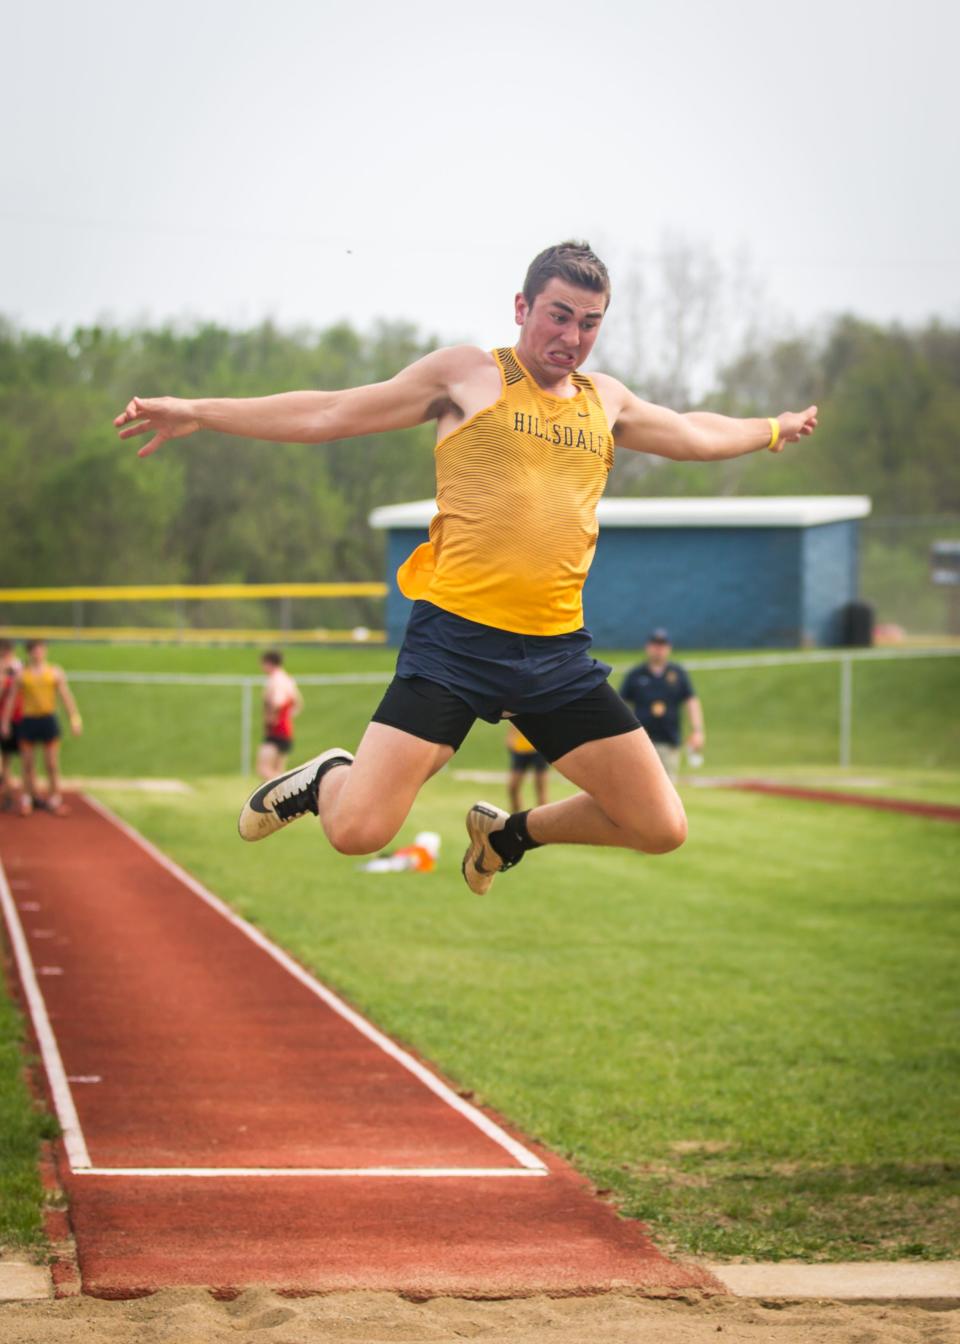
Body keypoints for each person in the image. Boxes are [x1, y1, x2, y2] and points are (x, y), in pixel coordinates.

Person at [114, 241, 817, 893]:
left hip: (555, 657)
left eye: (590, 323)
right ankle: (328, 774)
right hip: (454, 643)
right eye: (558, 316)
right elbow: (328, 412)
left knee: (661, 826)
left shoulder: (607, 400)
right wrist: (201, 412)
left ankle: (509, 834)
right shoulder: (469, 376)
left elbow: (694, 431)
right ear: (522, 309)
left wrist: (773, 429)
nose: (571, 337)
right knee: (357, 832)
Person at [0, 639, 82, 816]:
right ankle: (26, 799)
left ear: (45, 651)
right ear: (29, 653)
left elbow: (66, 696)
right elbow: (12, 699)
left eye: (40, 649)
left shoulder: (54, 672)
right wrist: (5, 722)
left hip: (48, 720)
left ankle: (55, 799)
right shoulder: (22, 675)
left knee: (51, 764)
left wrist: (74, 719)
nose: (37, 653)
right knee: (27, 764)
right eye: (34, 650)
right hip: (28, 721)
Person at [620, 630, 704, 785]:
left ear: (668, 648)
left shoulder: (677, 673)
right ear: (648, 647)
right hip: (642, 742)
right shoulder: (636, 674)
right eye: (655, 645)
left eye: (662, 645)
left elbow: (691, 701)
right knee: (640, 785)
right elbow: (622, 705)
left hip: (669, 740)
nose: (658, 649)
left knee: (667, 787)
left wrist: (697, 730)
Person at [257, 650, 303, 780]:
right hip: (286, 729)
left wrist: (272, 715)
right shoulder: (288, 679)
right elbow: (298, 703)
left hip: (276, 730)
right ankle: (284, 797)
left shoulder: (275, 680)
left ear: (269, 663)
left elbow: (278, 701)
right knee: (278, 771)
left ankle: (290, 790)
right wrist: (286, 716)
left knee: (264, 769)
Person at [0, 640, 24, 811]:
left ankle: (26, 797)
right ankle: (7, 795)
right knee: (6, 759)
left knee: (26, 759)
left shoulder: (20, 668)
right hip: (3, 717)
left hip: (20, 717)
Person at [505, 720, 550, 811]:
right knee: (513, 787)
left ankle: (542, 819)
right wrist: (510, 739)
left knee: (540, 787)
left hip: (538, 750)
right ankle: (515, 819)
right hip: (520, 750)